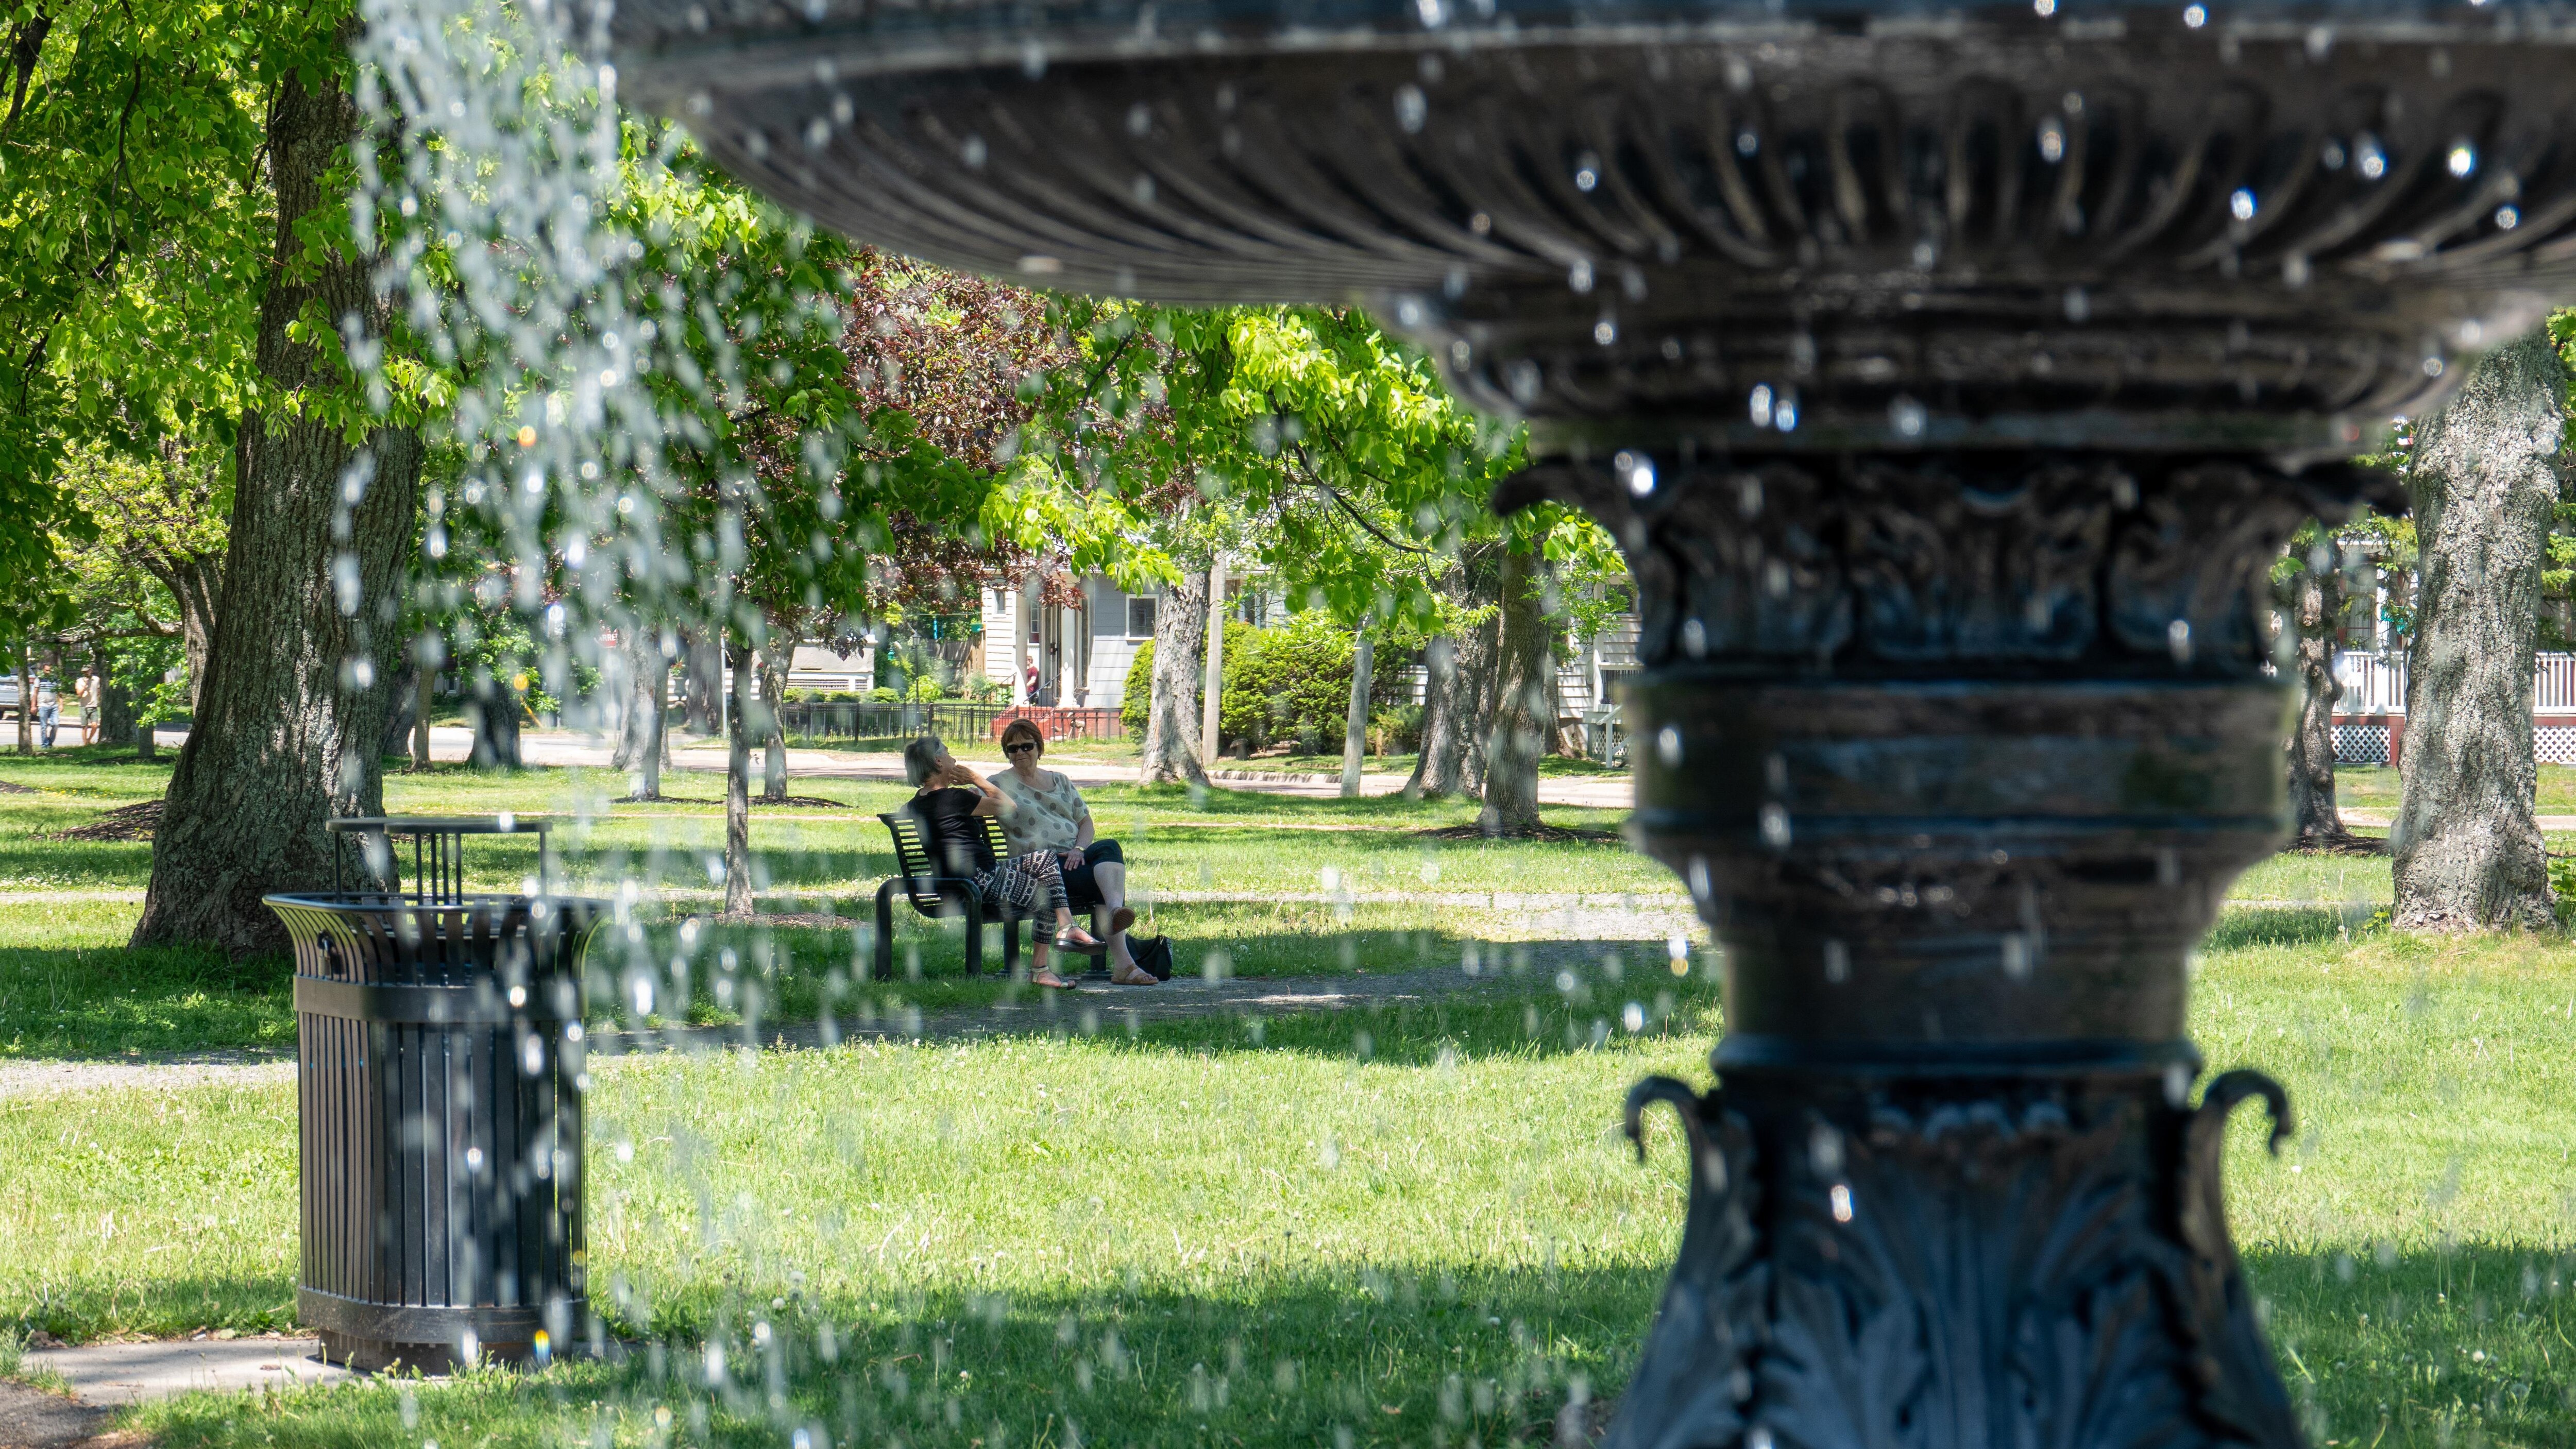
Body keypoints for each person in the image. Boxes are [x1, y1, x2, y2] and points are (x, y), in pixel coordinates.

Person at [900, 735, 1096, 988]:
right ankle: (1043, 966)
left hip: (970, 877)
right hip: (976, 880)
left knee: (1045, 859)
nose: (954, 758)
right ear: (938, 762)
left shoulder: (918, 804)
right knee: (1046, 895)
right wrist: (976, 779)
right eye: (948, 754)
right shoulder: (954, 799)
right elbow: (1009, 806)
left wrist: (968, 798)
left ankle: (1066, 928)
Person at [990, 718, 1157, 985]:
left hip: (1075, 858)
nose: (1020, 753)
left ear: (1039, 747)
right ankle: (1125, 966)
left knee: (1108, 847)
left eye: (1027, 746)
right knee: (1103, 883)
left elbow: (1085, 822)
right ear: (1007, 754)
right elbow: (972, 798)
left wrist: (1080, 849)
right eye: (1013, 749)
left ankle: (1116, 913)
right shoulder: (998, 783)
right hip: (1042, 869)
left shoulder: (1060, 780)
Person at [75, 668, 99, 745]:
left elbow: (98, 691)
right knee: (84, 727)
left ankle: (89, 739)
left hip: (94, 706)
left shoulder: (96, 679)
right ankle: (85, 744)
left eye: (87, 671)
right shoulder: (79, 681)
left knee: (95, 725)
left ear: (91, 671)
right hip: (84, 706)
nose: (86, 673)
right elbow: (79, 695)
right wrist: (85, 685)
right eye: (84, 672)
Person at [36, 674, 59, 750]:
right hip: (43, 705)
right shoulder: (39, 679)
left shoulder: (56, 680)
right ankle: (44, 745)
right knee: (44, 726)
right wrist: (33, 705)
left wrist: (61, 704)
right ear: (44, 670)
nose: (48, 672)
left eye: (50, 671)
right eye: (47, 670)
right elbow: (35, 693)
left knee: (55, 724)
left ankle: (50, 741)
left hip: (54, 706)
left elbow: (60, 692)